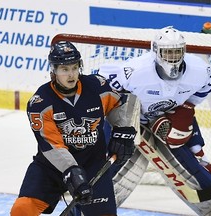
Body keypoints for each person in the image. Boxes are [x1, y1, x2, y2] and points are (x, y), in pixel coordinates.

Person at [98, 26, 211, 215]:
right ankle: (91, 206)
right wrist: (116, 124)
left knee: (187, 149)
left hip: (163, 117)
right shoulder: (135, 71)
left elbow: (196, 97)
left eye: (177, 51)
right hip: (128, 120)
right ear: (155, 51)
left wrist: (184, 113)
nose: (173, 56)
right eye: (167, 52)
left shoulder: (200, 71)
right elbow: (101, 86)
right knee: (107, 166)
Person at [10, 39, 137, 216]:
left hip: (93, 164)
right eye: (64, 69)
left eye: (74, 68)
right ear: (53, 71)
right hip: (52, 167)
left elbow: (121, 104)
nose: (71, 75)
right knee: (22, 209)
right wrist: (72, 171)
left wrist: (123, 131)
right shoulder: (41, 103)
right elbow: (52, 146)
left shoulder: (97, 87)